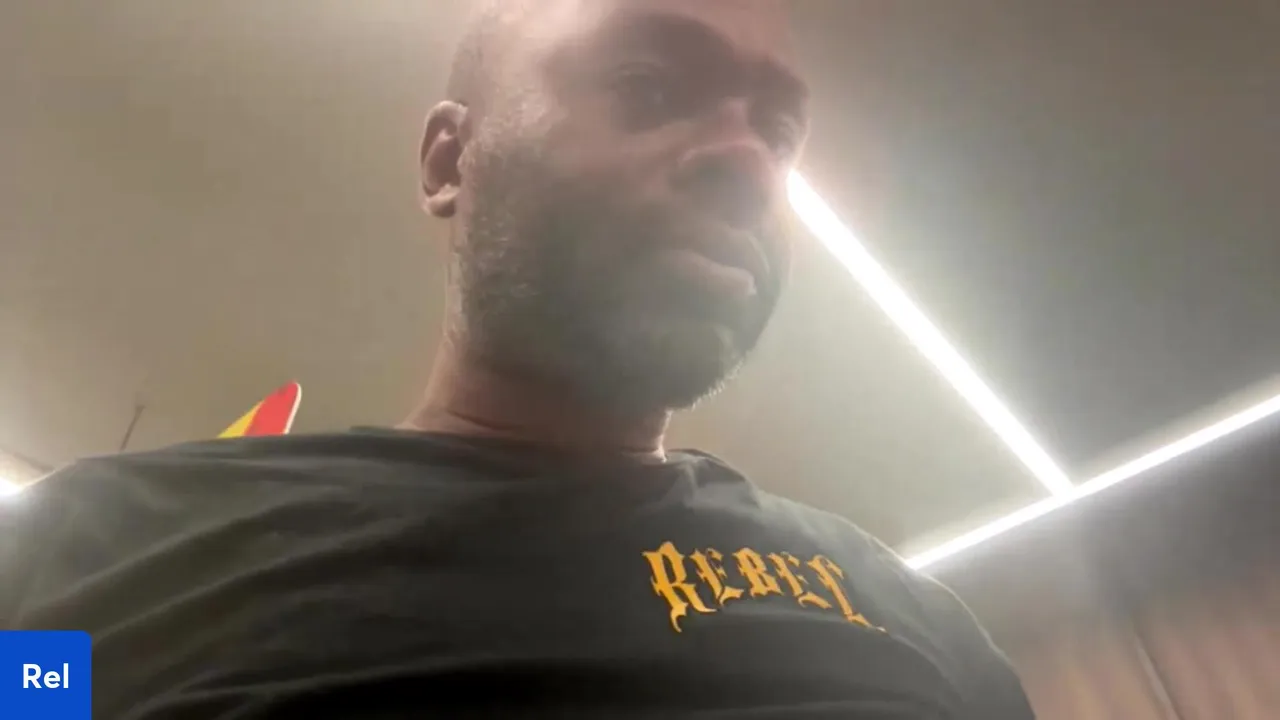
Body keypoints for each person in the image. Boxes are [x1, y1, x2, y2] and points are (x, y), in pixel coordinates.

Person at [2, 0, 1036, 717]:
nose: (747, 161)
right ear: (450, 160)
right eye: (648, 86)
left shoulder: (918, 630)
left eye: (777, 132)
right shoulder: (75, 569)